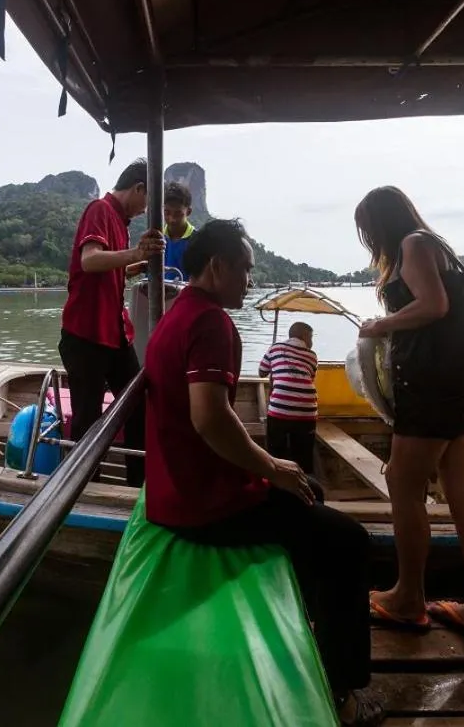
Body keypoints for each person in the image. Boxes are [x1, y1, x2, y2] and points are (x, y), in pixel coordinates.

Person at [143, 218, 383, 727]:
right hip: (204, 503)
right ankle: (343, 695)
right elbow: (210, 418)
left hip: (175, 487)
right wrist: (270, 466)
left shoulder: (178, 314)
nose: (251, 280)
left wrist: (274, 470)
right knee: (351, 543)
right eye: (247, 269)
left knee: (310, 491)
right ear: (218, 266)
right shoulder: (211, 323)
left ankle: (309, 627)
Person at [353, 187, 464, 650]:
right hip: (462, 389)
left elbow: (433, 305)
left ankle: (408, 597)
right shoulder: (437, 247)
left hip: (431, 392)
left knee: (404, 485)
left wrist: (380, 324)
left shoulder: (413, 245)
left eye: (367, 231)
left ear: (379, 223)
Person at [59, 158, 164, 487]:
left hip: (114, 334)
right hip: (87, 335)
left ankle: (137, 484)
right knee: (88, 421)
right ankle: (84, 489)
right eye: (147, 200)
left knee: (138, 404)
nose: (146, 208)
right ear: (139, 188)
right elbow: (90, 261)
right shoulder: (100, 210)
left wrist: (138, 263)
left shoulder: (121, 222)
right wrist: (135, 254)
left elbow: (111, 270)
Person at [259, 321, 320, 474]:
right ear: (304, 336)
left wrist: (276, 371)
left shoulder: (275, 347)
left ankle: (276, 485)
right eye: (311, 337)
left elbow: (261, 372)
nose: (312, 342)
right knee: (303, 456)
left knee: (275, 453)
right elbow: (309, 379)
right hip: (308, 411)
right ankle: (305, 485)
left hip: (280, 409)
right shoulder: (312, 356)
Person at [161, 181, 196, 279]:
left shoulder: (198, 241)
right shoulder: (156, 238)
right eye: (167, 213)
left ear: (188, 212)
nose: (172, 219)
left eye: (178, 214)